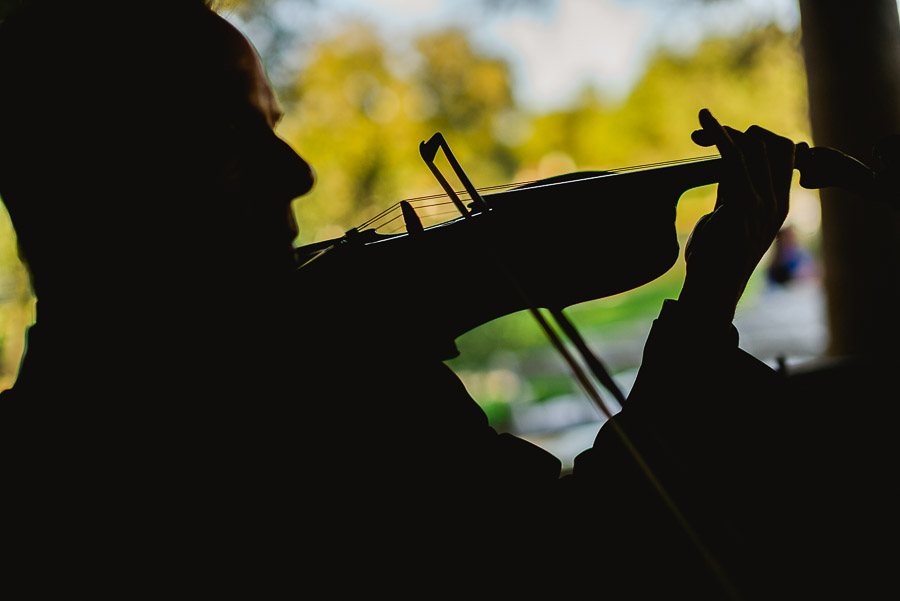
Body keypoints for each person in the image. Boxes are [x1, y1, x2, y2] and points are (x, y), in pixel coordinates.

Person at [0, 1, 840, 596]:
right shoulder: (337, 406)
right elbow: (597, 559)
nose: (298, 173)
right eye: (229, 137)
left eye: (275, 126)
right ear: (93, 184)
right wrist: (705, 304)